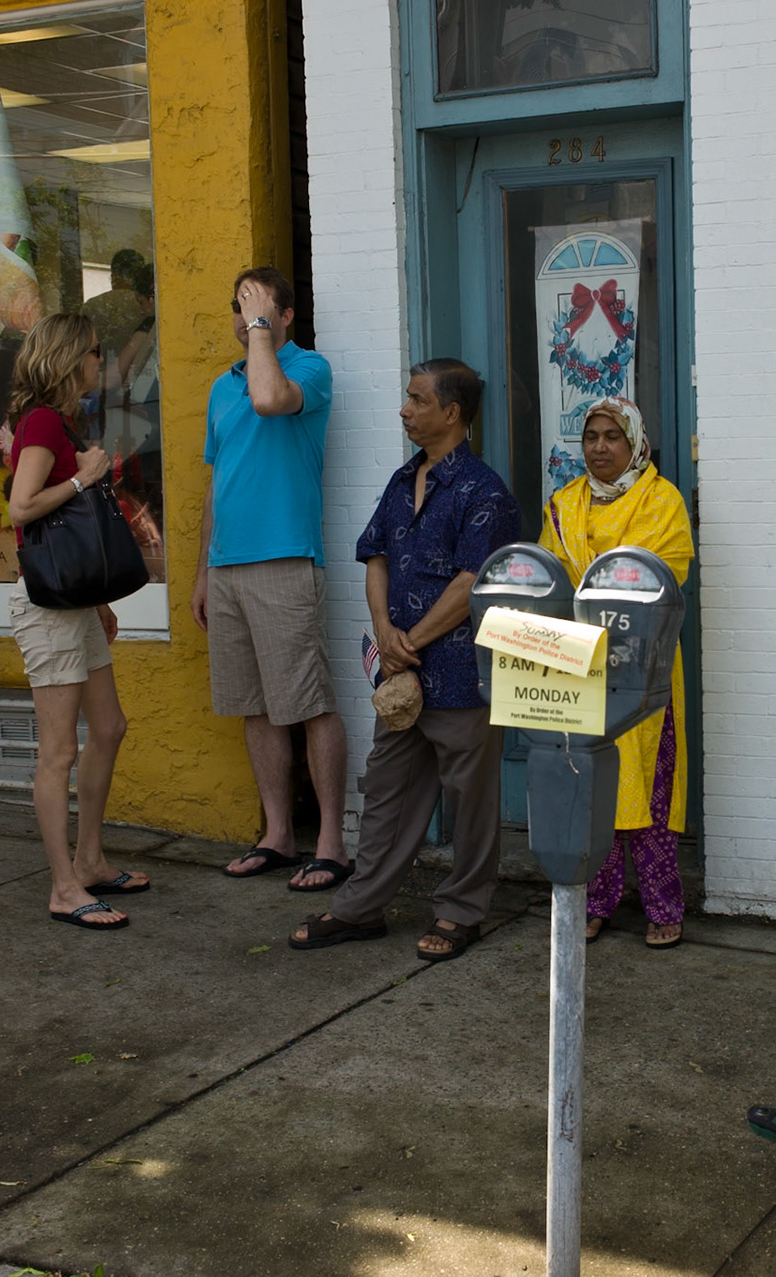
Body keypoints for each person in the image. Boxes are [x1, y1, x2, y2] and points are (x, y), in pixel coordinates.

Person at [289, 358, 520, 961]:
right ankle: (359, 909)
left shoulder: (484, 492)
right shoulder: (401, 480)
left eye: (417, 400)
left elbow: (474, 582)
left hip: (462, 676)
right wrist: (382, 630)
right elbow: (376, 557)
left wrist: (408, 641)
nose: (404, 409)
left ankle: (461, 912)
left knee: (470, 802)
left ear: (451, 412)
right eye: (405, 398)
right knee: (387, 789)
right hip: (400, 675)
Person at [194, 266, 350, 891]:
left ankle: (334, 843)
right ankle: (278, 834)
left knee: (309, 703)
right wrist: (205, 568)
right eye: (237, 306)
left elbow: (269, 400)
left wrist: (263, 331)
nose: (242, 318)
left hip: (286, 560)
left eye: (256, 307)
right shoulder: (218, 388)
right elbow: (216, 482)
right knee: (253, 708)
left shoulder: (309, 369)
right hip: (229, 567)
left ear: (285, 317)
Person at [3, 314, 147, 930]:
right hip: (46, 605)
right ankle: (64, 886)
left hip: (73, 599)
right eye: (93, 352)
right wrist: (83, 477)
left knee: (109, 726)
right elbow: (23, 505)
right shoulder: (40, 420)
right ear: (69, 358)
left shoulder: (60, 421)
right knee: (58, 749)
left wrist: (99, 600)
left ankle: (89, 860)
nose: (99, 362)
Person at [538, 396, 695, 949]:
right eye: (591, 437)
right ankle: (595, 902)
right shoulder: (564, 502)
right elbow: (547, 577)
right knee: (588, 785)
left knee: (649, 790)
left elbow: (665, 578)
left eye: (612, 437)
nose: (600, 447)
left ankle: (662, 905)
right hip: (579, 663)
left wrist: (603, 606)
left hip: (641, 666)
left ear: (634, 444)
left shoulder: (661, 500)